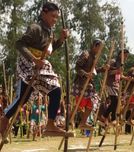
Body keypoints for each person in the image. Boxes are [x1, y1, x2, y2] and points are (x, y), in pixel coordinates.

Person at [0, 2, 72, 137]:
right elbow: (19, 44)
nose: (55, 20)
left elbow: (49, 51)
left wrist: (61, 39)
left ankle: (50, 125)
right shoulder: (35, 28)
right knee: (24, 97)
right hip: (27, 63)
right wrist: (34, 59)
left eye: (57, 17)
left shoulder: (50, 32)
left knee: (55, 90)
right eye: (52, 16)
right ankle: (5, 118)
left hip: (41, 63)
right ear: (43, 14)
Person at [72, 39, 104, 129]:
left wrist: (103, 68)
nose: (100, 51)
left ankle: (83, 122)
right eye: (100, 48)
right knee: (79, 106)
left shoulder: (94, 58)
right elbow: (77, 67)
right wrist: (86, 74)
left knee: (93, 102)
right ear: (95, 46)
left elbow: (94, 70)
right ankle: (68, 121)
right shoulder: (85, 54)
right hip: (80, 84)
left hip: (88, 85)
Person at [102, 49, 130, 125]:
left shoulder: (121, 64)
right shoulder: (113, 61)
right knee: (116, 100)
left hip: (116, 85)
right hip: (110, 83)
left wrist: (127, 78)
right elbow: (107, 72)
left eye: (127, 56)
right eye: (125, 56)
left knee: (116, 102)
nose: (126, 58)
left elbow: (120, 76)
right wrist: (116, 71)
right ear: (121, 54)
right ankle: (111, 118)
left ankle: (105, 116)